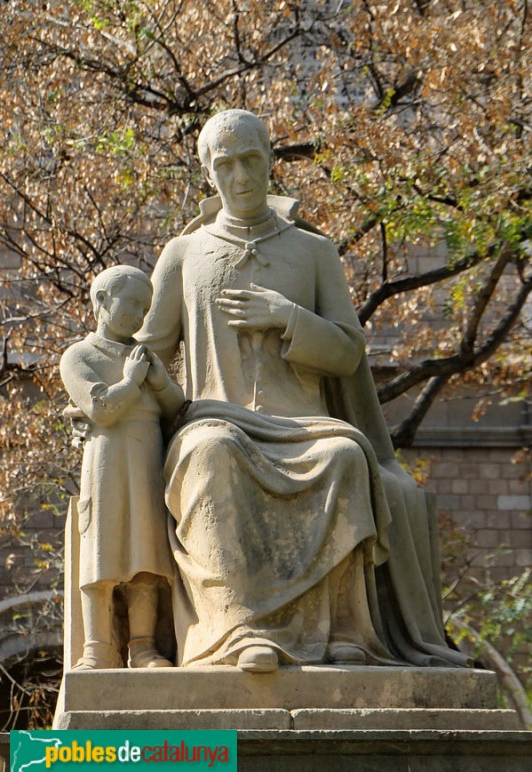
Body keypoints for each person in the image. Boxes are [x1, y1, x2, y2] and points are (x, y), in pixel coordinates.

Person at [138, 109, 469, 673]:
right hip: (216, 418)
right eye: (225, 165)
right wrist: (103, 383)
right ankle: (240, 630)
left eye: (250, 160)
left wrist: (287, 317)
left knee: (344, 456)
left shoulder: (313, 252)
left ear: (271, 161)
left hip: (303, 425)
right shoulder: (183, 255)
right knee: (210, 453)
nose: (240, 176)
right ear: (208, 174)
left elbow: (346, 352)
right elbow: (147, 349)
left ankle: (346, 632)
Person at [60, 265, 184, 669]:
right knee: (103, 553)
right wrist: (132, 381)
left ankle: (143, 647)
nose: (138, 314)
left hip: (147, 460)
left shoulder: (143, 355)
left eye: (144, 307)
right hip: (107, 462)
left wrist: (161, 381)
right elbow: (101, 408)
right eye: (130, 302)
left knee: (145, 556)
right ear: (101, 301)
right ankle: (97, 647)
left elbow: (175, 411)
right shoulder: (80, 356)